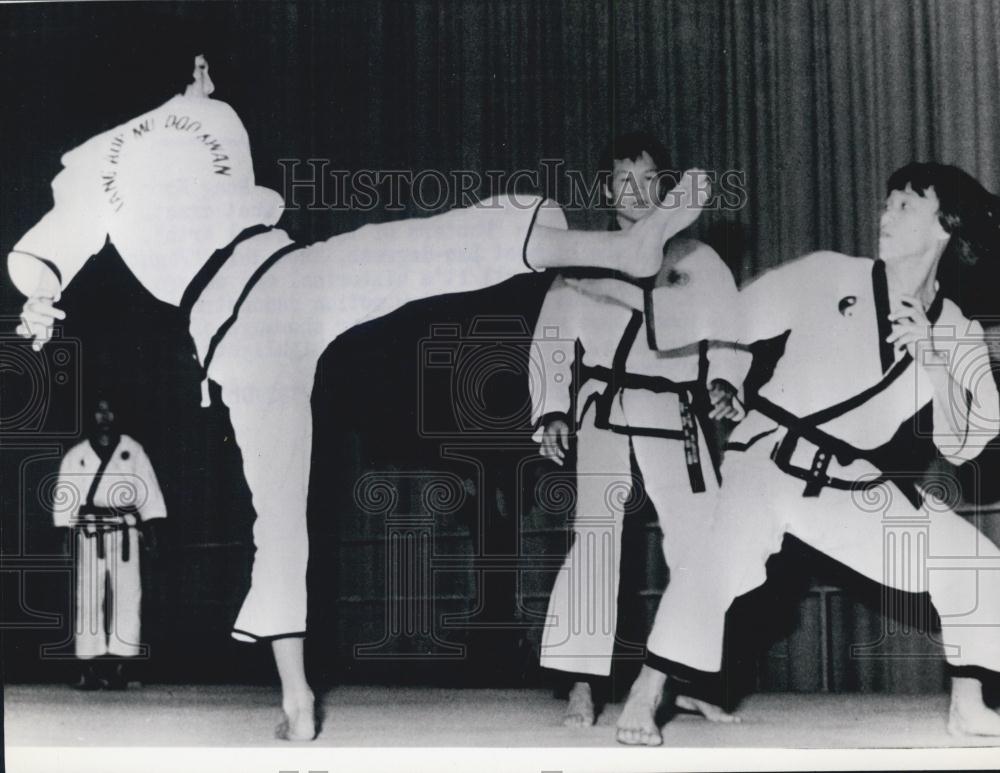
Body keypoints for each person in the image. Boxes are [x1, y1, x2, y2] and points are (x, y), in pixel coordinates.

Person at [9, 54, 710, 740]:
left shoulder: (186, 124)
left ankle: (296, 697)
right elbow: (49, 250)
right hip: (263, 301)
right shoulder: (108, 160)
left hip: (264, 298)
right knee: (408, 255)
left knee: (285, 502)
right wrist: (39, 295)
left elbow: (59, 247)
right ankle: (610, 250)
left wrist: (43, 291)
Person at [588, 162, 1000, 745]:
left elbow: (962, 445)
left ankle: (968, 703)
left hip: (847, 482)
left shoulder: (956, 330)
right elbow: (732, 318)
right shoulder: (829, 274)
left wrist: (933, 360)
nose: (885, 214)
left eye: (906, 205)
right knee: (722, 555)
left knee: (972, 559)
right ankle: (647, 690)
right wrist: (717, 368)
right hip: (769, 455)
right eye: (887, 202)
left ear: (945, 226)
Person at [531, 132, 749, 728]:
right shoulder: (584, 259)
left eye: (648, 180)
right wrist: (551, 409)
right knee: (595, 537)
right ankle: (582, 681)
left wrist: (726, 381)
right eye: (622, 180)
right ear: (607, 190)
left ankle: (680, 679)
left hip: (674, 410)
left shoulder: (698, 260)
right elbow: (552, 339)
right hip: (605, 405)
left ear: (666, 189)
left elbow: (730, 331)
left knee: (703, 540)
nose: (634, 191)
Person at [53, 397, 167, 690]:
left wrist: (152, 532)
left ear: (119, 415)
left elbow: (148, 493)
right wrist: (65, 536)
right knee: (88, 597)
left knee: (129, 597)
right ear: (90, 415)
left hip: (125, 532)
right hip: (90, 532)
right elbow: (66, 498)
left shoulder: (132, 450)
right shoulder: (77, 455)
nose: (105, 416)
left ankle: (121, 666)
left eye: (110, 410)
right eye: (99, 410)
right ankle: (87, 667)